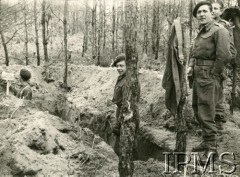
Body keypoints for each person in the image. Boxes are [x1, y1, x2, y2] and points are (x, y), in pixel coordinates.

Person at [187, 1, 231, 155]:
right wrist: (191, 66)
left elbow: (224, 55)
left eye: (205, 11)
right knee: (198, 108)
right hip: (199, 74)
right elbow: (195, 52)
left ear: (212, 13)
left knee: (206, 110)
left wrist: (214, 74)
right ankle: (206, 141)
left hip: (209, 75)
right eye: (199, 13)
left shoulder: (220, 30)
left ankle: (211, 147)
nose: (201, 14)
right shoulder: (202, 31)